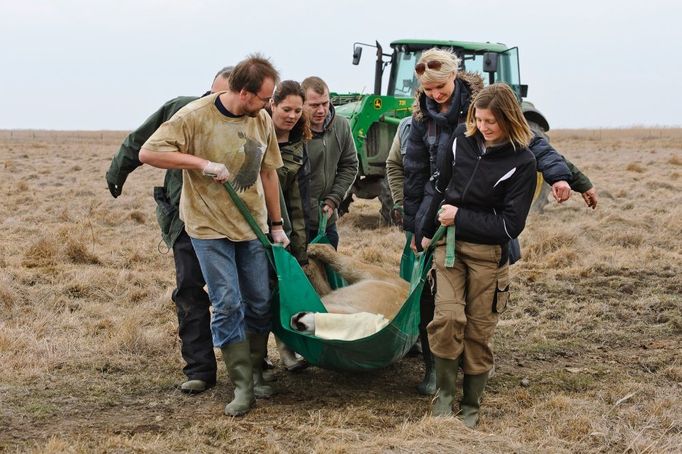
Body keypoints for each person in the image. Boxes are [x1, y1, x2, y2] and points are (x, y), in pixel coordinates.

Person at [399, 48, 598, 397]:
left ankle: (469, 366)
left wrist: (569, 180)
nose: (435, 94)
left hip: (485, 217)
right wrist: (417, 226)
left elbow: (535, 145)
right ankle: (434, 368)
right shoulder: (419, 120)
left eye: (440, 86)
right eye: (428, 89)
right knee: (433, 300)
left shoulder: (485, 107)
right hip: (438, 213)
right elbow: (416, 175)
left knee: (479, 307)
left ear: (454, 76)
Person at [139, 54, 289, 417]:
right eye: (264, 98)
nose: (269, 105)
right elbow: (149, 152)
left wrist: (277, 223)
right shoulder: (195, 116)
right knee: (227, 303)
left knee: (258, 300)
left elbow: (269, 173)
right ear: (243, 92)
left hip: (249, 227)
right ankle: (240, 386)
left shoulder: (261, 120)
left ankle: (255, 373)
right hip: (208, 228)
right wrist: (201, 164)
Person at [105, 66, 232, 395]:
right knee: (190, 290)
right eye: (215, 96)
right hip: (185, 221)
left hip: (232, 222)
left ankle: (250, 365)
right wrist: (118, 172)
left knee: (241, 292)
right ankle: (200, 369)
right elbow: (140, 141)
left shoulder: (248, 118)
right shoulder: (181, 109)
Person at [420, 83, 537, 427]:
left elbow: (509, 226)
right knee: (448, 319)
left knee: (477, 331)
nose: (482, 128)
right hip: (450, 247)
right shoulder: (460, 139)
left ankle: (471, 403)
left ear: (509, 120)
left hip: (489, 255)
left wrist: (460, 215)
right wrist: (425, 233)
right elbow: (440, 187)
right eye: (478, 119)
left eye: (491, 122)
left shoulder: (523, 161)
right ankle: (443, 394)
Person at [266, 80, 312, 371]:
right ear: (272, 104)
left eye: (297, 110)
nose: (292, 115)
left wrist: (300, 246)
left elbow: (298, 200)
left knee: (286, 292)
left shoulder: (298, 146)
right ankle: (257, 358)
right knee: (261, 295)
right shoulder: (256, 135)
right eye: (286, 109)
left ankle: (288, 351)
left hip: (286, 232)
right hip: (256, 229)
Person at [301, 76, 359, 249]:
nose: (321, 110)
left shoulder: (341, 126)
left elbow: (349, 165)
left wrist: (334, 199)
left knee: (329, 272)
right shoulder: (293, 131)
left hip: (326, 220)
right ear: (302, 103)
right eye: (314, 105)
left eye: (325, 104)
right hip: (299, 222)